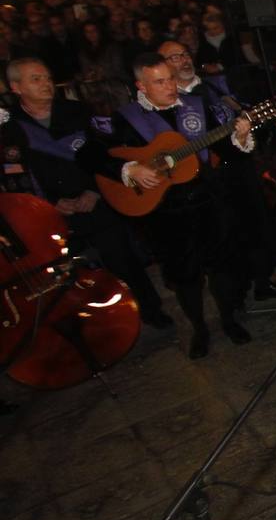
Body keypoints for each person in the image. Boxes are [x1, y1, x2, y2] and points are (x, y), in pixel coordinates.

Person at [78, 55, 255, 358]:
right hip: (166, 212)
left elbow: (221, 146)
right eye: (159, 82)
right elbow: (88, 155)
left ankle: (229, 319)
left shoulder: (195, 106)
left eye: (171, 79)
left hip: (208, 202)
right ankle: (199, 327)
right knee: (186, 277)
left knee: (222, 267)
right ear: (141, 86)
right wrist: (130, 170)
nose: (170, 86)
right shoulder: (125, 118)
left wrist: (239, 136)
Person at [1, 58, 170, 329]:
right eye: (36, 79)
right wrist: (50, 205)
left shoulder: (77, 112)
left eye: (47, 77)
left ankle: (150, 310)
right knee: (81, 276)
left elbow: (106, 153)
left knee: (123, 260)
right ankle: (107, 324)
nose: (45, 84)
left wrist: (94, 190)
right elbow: (14, 177)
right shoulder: (10, 129)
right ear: (16, 87)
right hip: (56, 215)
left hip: (98, 201)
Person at [161, 40, 276, 302]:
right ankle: (232, 300)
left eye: (185, 53)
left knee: (255, 229)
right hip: (202, 183)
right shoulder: (167, 102)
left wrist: (248, 125)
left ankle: (262, 282)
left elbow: (238, 114)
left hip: (236, 170)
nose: (184, 60)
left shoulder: (212, 86)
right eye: (174, 57)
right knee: (222, 243)